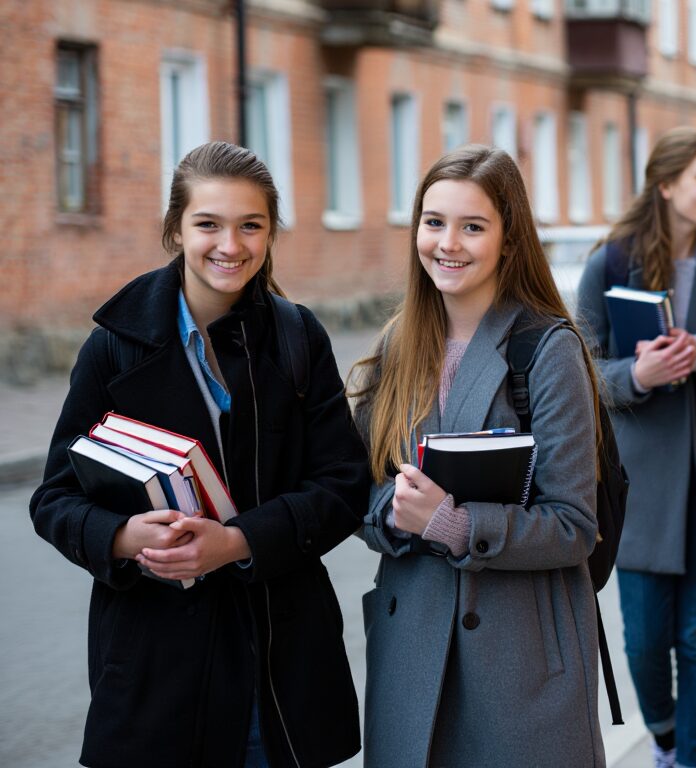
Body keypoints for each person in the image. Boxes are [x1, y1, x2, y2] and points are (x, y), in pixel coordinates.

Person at [29, 141, 367, 768]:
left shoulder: (299, 338)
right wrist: (125, 536)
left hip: (278, 669)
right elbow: (53, 500)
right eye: (208, 223)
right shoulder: (114, 349)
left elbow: (344, 485)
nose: (229, 245)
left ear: (270, 233)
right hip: (158, 675)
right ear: (175, 229)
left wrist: (237, 543)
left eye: (251, 225)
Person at [351, 145, 605, 767]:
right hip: (410, 653)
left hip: (519, 661)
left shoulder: (548, 351)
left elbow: (575, 527)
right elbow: (358, 490)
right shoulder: (395, 345)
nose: (448, 243)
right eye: (434, 222)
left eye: (472, 226)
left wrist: (451, 523)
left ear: (508, 240)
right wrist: (393, 511)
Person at [574, 127, 696, 768]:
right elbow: (580, 376)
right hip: (643, 490)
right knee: (646, 641)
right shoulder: (610, 262)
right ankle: (663, 737)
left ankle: (693, 760)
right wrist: (638, 376)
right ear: (666, 186)